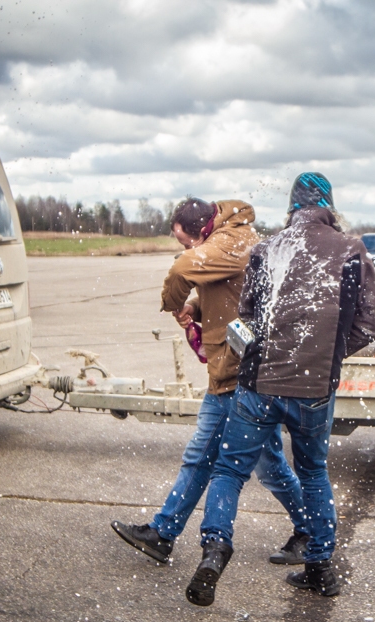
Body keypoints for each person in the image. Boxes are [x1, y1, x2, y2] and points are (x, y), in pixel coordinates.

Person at [185, 172, 375, 607]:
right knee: (313, 472)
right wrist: (331, 351)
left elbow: (247, 315)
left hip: (259, 384)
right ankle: (319, 568)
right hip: (315, 387)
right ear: (329, 204)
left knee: (229, 472)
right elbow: (373, 322)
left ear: (293, 206)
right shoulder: (351, 250)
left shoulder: (267, 248)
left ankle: (214, 552)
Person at [111, 197, 311, 565]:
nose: (187, 248)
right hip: (241, 367)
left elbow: (182, 271)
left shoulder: (225, 242)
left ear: (201, 230)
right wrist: (198, 308)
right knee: (266, 464)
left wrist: (173, 303)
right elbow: (234, 292)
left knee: (206, 457)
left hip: (237, 372)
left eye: (186, 240)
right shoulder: (230, 237)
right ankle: (165, 531)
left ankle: (165, 532)